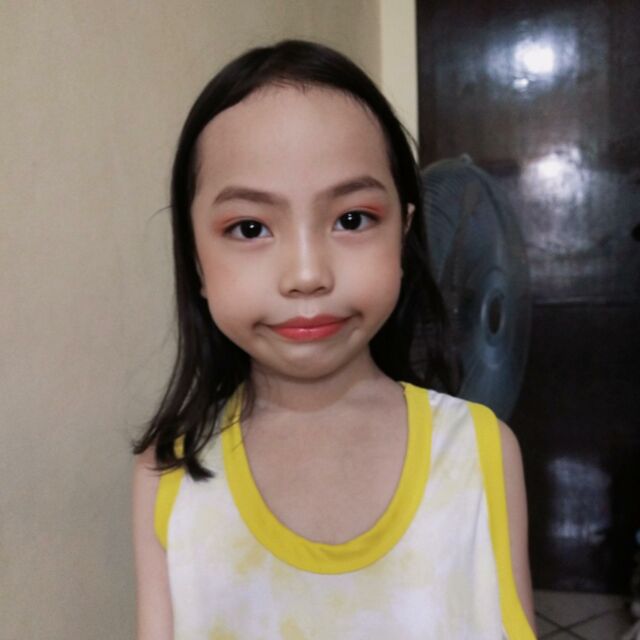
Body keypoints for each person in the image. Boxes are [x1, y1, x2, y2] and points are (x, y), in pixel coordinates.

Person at [132, 40, 536, 639]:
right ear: (195, 257)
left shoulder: (480, 454)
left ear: (403, 232)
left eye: (352, 219)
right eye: (250, 227)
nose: (306, 274)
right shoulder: (167, 474)